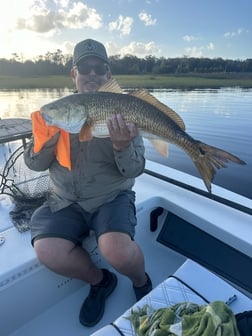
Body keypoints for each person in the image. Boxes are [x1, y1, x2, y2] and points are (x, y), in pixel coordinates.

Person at [24, 38, 152, 327]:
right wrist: (47, 144)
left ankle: (141, 281)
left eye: (99, 68)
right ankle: (100, 282)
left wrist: (122, 146)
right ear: (74, 74)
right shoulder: (58, 112)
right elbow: (33, 164)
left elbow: (135, 170)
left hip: (110, 197)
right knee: (47, 251)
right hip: (64, 199)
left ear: (108, 75)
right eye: (85, 68)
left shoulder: (121, 111)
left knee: (117, 251)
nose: (92, 74)